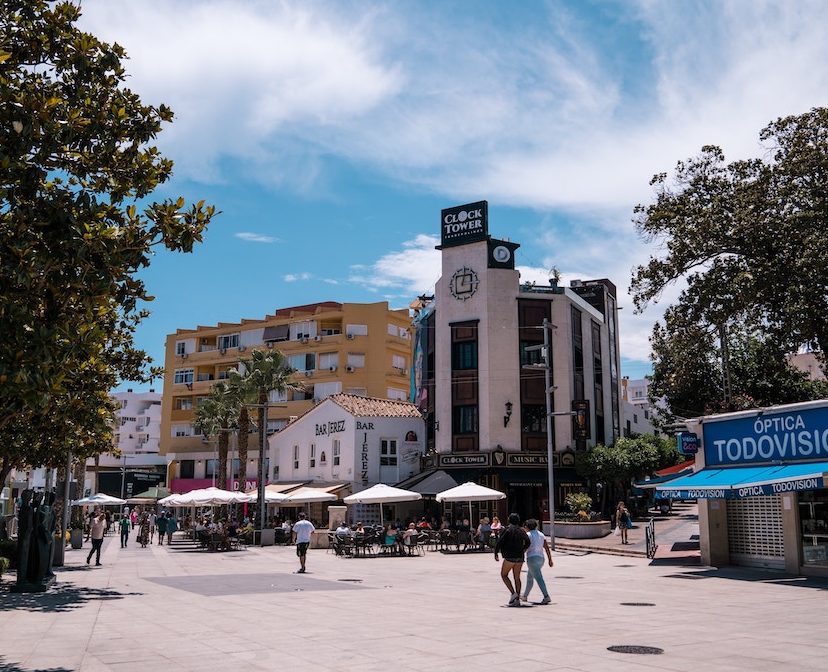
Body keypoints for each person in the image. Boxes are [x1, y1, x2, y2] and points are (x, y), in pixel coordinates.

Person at [494, 513, 530, 607]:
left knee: (504, 575)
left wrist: (496, 553)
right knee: (517, 577)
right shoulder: (521, 531)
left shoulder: (507, 530)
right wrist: (523, 549)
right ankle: (517, 598)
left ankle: (513, 593)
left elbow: (500, 542)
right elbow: (528, 542)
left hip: (510, 556)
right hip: (520, 556)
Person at [521, 519, 553, 605]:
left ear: (527, 527)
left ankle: (546, 596)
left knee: (539, 578)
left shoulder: (528, 535)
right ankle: (525, 596)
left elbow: (525, 547)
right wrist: (550, 559)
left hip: (532, 558)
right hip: (541, 558)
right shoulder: (541, 534)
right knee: (530, 577)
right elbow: (546, 548)